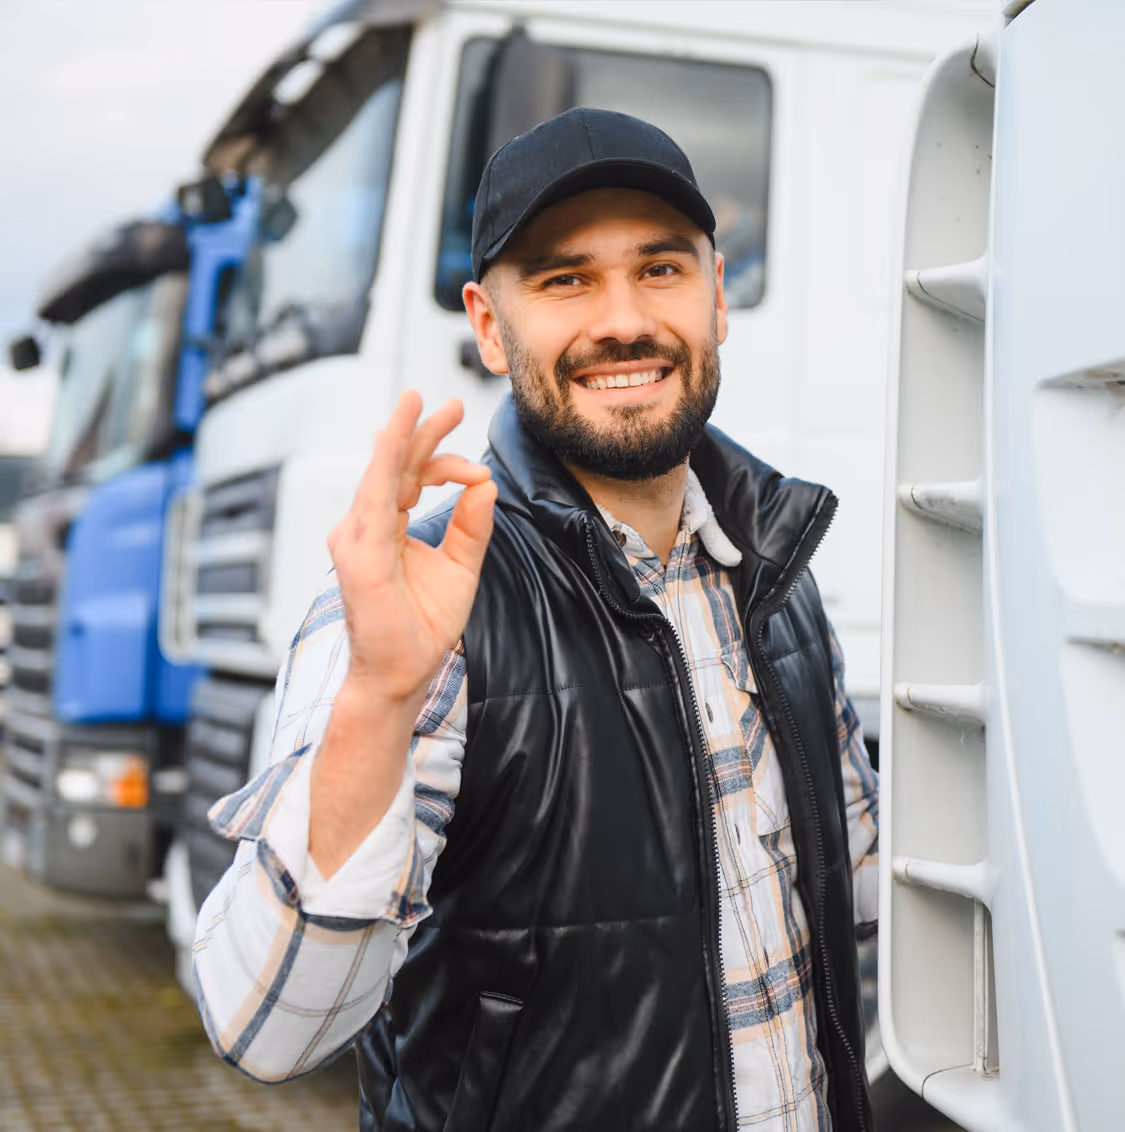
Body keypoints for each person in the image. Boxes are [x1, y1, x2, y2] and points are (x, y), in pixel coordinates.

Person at [192, 108, 879, 1132]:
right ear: (485, 322)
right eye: (565, 279)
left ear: (718, 296)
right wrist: (379, 702)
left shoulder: (781, 575)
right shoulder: (432, 605)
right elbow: (269, 1029)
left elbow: (860, 901)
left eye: (660, 269)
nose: (623, 320)